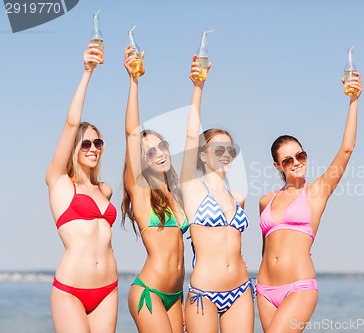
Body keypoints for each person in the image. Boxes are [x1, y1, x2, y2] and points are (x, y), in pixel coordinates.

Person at [256, 72, 363, 332]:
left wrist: (354, 101)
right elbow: (266, 249)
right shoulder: (266, 200)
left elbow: (346, 149)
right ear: (277, 166)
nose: (296, 162)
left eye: (300, 155)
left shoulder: (317, 192)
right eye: (288, 160)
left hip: (299, 288)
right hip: (264, 290)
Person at [46, 43, 118, 332]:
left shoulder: (105, 190)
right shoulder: (59, 182)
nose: (92, 148)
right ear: (74, 148)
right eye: (86, 143)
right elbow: (70, 122)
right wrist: (88, 72)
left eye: (98, 143)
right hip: (71, 290)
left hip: (108, 288)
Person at [181, 56, 254, 333]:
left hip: (240, 290)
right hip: (204, 294)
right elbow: (190, 137)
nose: (226, 155)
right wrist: (198, 87)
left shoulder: (237, 195)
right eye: (218, 149)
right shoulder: (192, 187)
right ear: (202, 154)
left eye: (230, 150)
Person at [121, 45, 186, 333]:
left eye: (162, 146)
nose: (159, 153)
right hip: (149, 292)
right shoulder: (141, 192)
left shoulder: (177, 193)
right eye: (149, 152)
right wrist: (134, 81)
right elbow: (132, 134)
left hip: (176, 295)